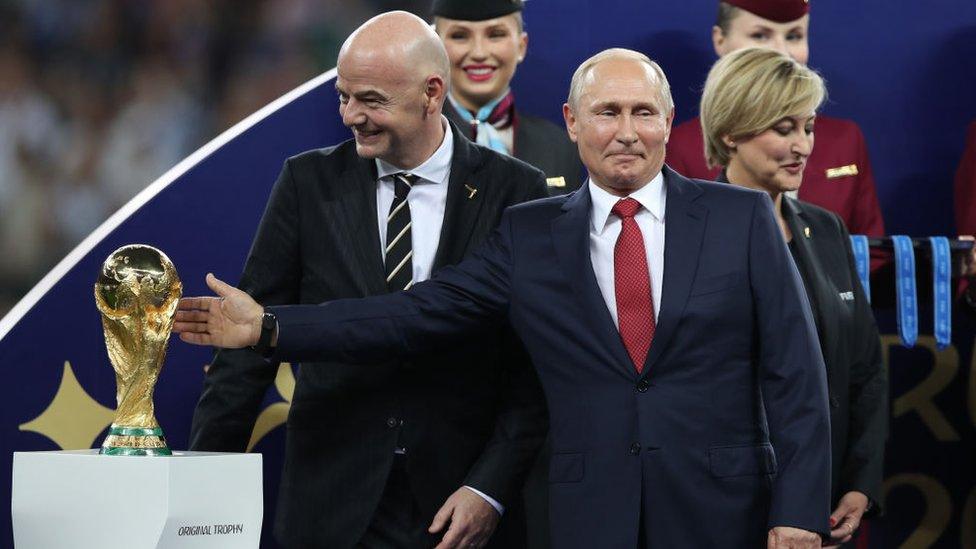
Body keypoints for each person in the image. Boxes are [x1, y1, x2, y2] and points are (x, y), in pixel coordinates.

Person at [175, 48, 832, 549]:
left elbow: (795, 376)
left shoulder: (739, 219)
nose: (627, 131)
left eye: (643, 113)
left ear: (668, 123)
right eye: (608, 112)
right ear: (574, 124)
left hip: (720, 511)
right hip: (581, 515)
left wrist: (799, 510)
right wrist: (271, 328)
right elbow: (416, 313)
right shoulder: (530, 231)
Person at [187, 11, 549, 549]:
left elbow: (533, 367)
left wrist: (489, 487)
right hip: (331, 502)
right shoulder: (307, 183)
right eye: (342, 97)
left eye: (371, 100)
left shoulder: (516, 190)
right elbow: (245, 346)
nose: (351, 115)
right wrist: (203, 485)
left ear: (432, 93)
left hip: (460, 507)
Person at [699, 47, 887, 547]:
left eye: (807, 127)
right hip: (721, 508)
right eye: (783, 128)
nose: (802, 145)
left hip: (824, 506)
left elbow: (864, 367)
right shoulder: (688, 233)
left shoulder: (827, 230)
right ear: (729, 133)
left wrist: (859, 483)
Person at [667, 0, 886, 245]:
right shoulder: (679, 147)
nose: (780, 52)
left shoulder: (845, 140)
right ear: (720, 40)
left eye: (794, 36)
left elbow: (869, 253)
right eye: (760, 35)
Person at [433, 0, 584, 194]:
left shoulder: (560, 146)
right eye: (460, 36)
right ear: (435, 47)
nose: (479, 53)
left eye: (496, 35)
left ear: (521, 46)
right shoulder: (415, 144)